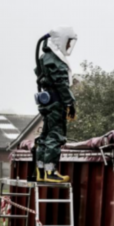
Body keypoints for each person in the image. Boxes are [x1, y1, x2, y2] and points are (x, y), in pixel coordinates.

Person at [34, 26, 77, 183]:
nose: (68, 46)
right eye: (68, 42)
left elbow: (39, 75)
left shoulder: (44, 57)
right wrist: (70, 103)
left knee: (45, 135)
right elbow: (61, 84)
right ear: (62, 40)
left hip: (46, 101)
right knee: (55, 135)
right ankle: (51, 172)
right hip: (56, 101)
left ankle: (40, 171)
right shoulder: (55, 60)